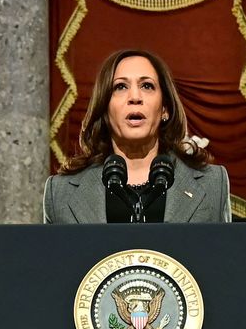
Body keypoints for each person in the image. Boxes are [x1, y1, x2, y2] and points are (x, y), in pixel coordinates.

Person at [42, 48, 231, 225]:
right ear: (105, 109)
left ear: (165, 108)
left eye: (147, 86)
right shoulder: (60, 193)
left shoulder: (212, 184)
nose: (135, 97)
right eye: (120, 87)